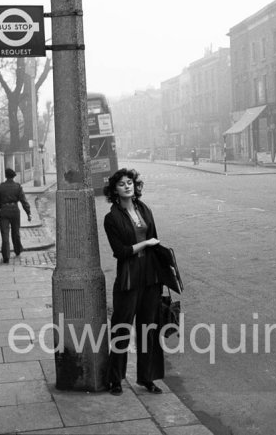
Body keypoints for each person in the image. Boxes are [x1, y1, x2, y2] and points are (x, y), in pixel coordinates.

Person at [103, 168, 164, 396]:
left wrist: (162, 272)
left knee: (148, 328)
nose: (127, 186)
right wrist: (146, 244)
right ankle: (116, 379)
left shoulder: (144, 209)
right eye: (122, 184)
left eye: (130, 182)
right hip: (129, 277)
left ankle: (147, 378)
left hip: (150, 276)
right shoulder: (112, 218)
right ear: (114, 190)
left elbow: (155, 241)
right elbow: (120, 251)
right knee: (122, 328)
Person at [0, 168, 31, 264]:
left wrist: (2, 206)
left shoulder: (1, 187)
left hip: (4, 211)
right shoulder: (17, 187)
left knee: (4, 234)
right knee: (16, 232)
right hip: (15, 210)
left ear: (6, 176)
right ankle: (17, 250)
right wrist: (28, 213)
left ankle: (6, 256)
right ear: (14, 176)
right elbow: (23, 201)